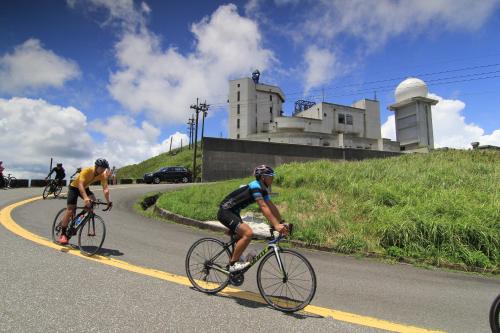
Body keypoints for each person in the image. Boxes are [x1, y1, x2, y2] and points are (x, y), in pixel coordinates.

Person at [217, 165, 288, 273]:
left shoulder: (263, 190)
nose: (273, 179)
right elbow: (263, 207)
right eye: (271, 177)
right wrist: (276, 225)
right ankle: (232, 265)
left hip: (234, 213)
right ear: (263, 177)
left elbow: (271, 206)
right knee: (248, 233)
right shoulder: (255, 186)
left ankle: (236, 259)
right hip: (225, 212)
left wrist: (281, 222)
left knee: (243, 235)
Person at [57, 158, 112, 245]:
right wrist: (86, 198)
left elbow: (105, 189)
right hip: (74, 188)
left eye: (104, 169)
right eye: (101, 168)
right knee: (71, 209)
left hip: (85, 188)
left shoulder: (102, 175)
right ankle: (63, 234)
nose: (103, 170)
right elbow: (80, 185)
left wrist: (108, 201)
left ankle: (77, 219)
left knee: (93, 201)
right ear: (96, 166)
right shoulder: (87, 170)